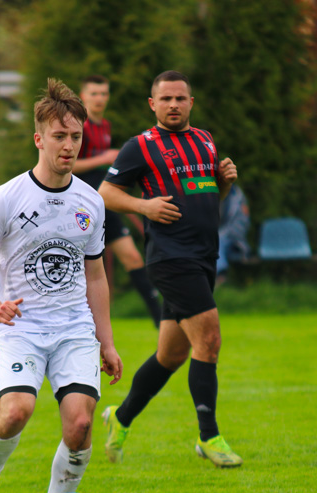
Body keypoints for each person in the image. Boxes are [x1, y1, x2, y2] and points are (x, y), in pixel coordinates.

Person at [0, 79, 123, 493]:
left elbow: (96, 276)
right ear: (39, 139)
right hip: (20, 327)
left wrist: (107, 341)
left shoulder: (90, 202)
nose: (69, 146)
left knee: (80, 425)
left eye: (76, 137)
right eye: (59, 136)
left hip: (74, 328)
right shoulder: (5, 198)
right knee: (16, 412)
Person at [97, 70, 242, 468]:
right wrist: (144, 207)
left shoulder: (205, 140)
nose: (173, 105)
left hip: (203, 256)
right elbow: (105, 193)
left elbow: (209, 198)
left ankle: (120, 419)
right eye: (166, 99)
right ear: (153, 104)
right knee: (208, 340)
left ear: (190, 103)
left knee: (171, 355)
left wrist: (223, 182)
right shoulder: (140, 146)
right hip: (170, 257)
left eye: (180, 98)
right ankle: (209, 436)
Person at [73, 75, 162, 327]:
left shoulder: (105, 126)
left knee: (133, 257)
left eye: (103, 94)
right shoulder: (79, 126)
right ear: (83, 96)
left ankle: (161, 319)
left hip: (103, 202)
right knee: (81, 265)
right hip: (79, 204)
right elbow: (67, 166)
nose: (99, 99)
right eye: (94, 94)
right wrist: (104, 158)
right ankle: (78, 322)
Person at [217, 183, 250, 283]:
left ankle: (220, 274)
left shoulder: (237, 195)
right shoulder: (208, 191)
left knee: (217, 239)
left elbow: (243, 222)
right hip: (215, 236)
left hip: (233, 238)